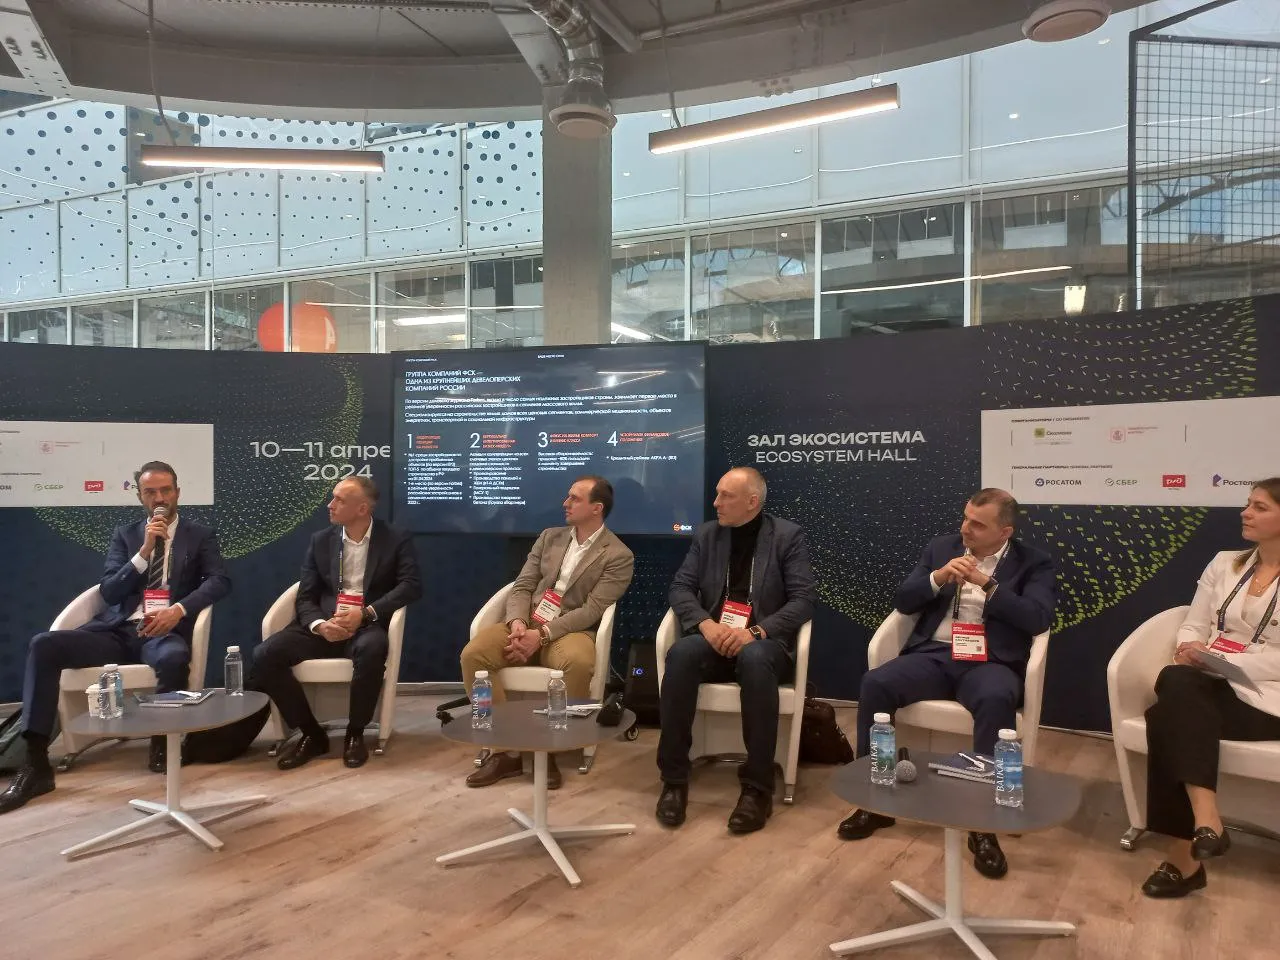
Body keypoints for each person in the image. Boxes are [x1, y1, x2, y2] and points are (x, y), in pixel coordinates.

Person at [837, 488, 1055, 879]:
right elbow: (903, 600)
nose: (965, 528)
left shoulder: (1033, 562)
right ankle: (874, 800)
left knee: (996, 698)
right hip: (935, 654)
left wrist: (987, 585)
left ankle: (983, 825)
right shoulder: (942, 548)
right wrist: (937, 578)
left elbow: (1037, 618)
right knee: (876, 683)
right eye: (965, 518)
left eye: (978, 524)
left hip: (990, 660)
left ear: (1004, 532)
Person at [0, 460, 230, 814]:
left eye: (165, 490)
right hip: (117, 631)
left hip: (162, 631)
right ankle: (35, 763)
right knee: (44, 645)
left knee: (173, 658)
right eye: (150, 492)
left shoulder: (199, 535)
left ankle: (162, 743)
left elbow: (219, 581)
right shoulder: (126, 535)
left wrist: (178, 611)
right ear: (140, 497)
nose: (159, 499)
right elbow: (109, 591)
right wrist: (143, 553)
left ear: (177, 493)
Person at [1139, 477, 1280, 898]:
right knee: (1176, 682)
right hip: (1211, 684)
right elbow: (1194, 622)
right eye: (1248, 503)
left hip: (1268, 700)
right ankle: (1207, 822)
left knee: (1165, 714)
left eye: (1259, 507)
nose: (1245, 513)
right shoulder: (1225, 563)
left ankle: (1186, 857)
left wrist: (1226, 663)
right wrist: (1189, 647)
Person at [655, 466, 816, 834]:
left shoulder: (786, 536)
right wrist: (706, 625)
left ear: (752, 502)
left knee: (755, 659)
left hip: (764, 644)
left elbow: (804, 599)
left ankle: (757, 789)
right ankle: (674, 780)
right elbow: (680, 588)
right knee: (681, 655)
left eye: (725, 496)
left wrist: (756, 632)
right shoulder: (707, 535)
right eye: (717, 494)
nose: (716, 503)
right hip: (715, 638)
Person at [460, 476, 634, 789]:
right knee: (473, 656)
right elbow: (523, 585)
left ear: (597, 508)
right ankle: (504, 748)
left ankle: (552, 748)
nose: (565, 503)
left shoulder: (619, 555)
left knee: (578, 663)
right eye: (568, 497)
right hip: (527, 621)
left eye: (574, 498)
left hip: (570, 630)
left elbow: (592, 610)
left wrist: (541, 636)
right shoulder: (549, 537)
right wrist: (517, 623)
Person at [249, 476, 420, 771]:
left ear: (362, 508)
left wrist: (365, 613)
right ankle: (311, 733)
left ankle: (355, 733)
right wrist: (319, 624)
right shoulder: (321, 541)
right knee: (265, 654)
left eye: (339, 500)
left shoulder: (395, 538)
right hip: (325, 623)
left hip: (366, 625)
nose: (330, 505)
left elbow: (411, 585)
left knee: (373, 649)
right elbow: (305, 595)